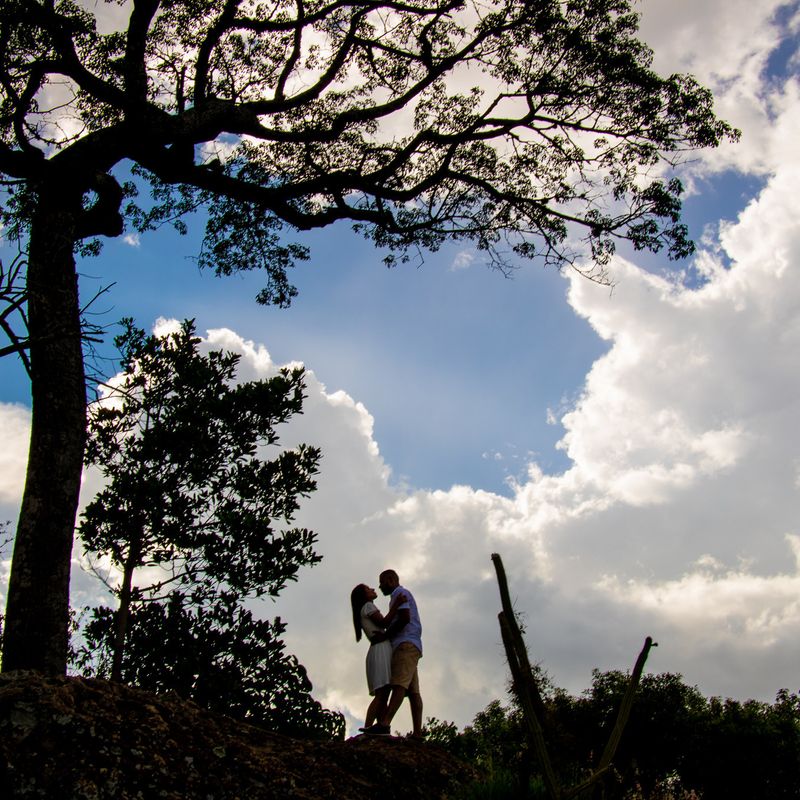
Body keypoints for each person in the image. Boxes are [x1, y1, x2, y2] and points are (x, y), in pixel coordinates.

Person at [363, 569, 423, 738]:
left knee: (398, 685)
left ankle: (384, 723)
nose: (380, 586)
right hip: (412, 644)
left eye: (382, 582)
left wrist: (386, 635)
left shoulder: (399, 593)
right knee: (413, 692)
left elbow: (404, 618)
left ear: (390, 580)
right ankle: (417, 733)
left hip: (405, 644)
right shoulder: (398, 596)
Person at [350, 583, 407, 730]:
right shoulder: (368, 606)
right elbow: (384, 622)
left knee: (384, 693)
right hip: (380, 650)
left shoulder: (365, 608)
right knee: (382, 693)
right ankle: (368, 727)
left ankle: (379, 726)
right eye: (369, 589)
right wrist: (397, 605)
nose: (373, 590)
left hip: (379, 649)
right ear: (364, 596)